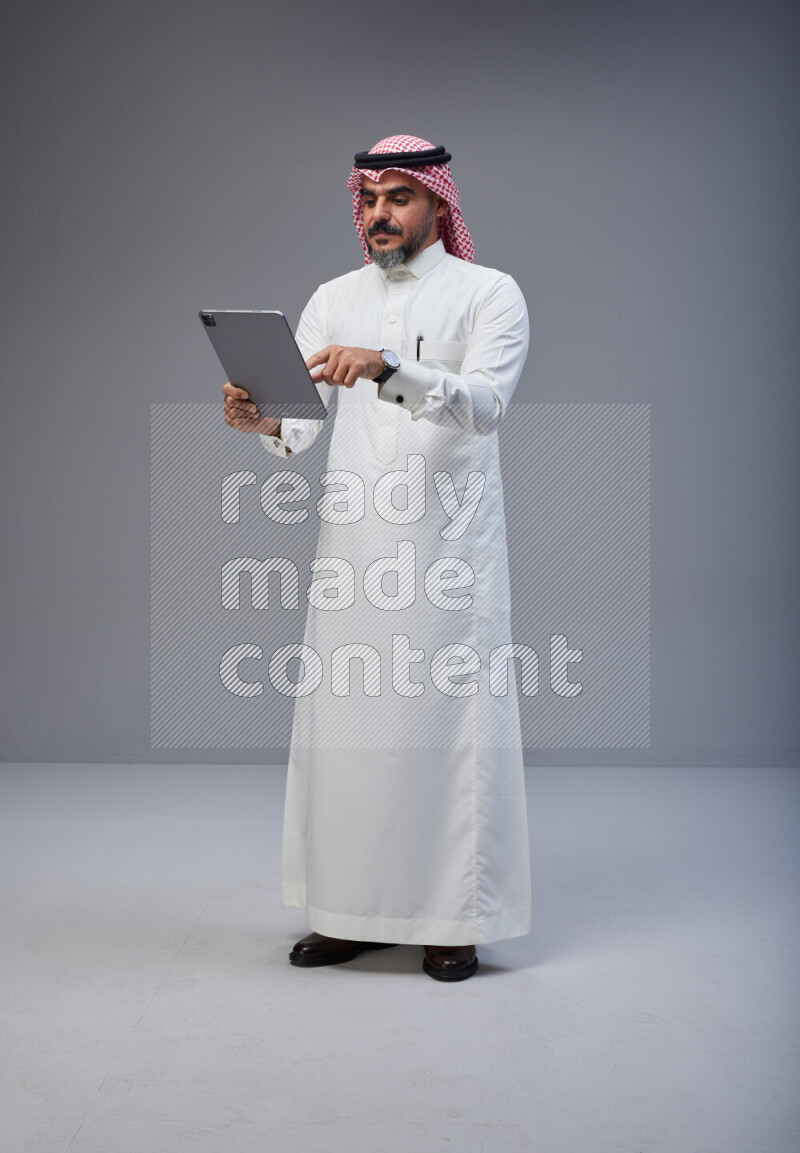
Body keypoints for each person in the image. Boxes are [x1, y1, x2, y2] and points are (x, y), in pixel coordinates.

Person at [223, 135, 531, 981]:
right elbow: (301, 424)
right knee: (350, 733)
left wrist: (392, 367)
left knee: (441, 733)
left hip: (447, 557)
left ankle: (452, 920)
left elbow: (485, 405)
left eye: (400, 197)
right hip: (354, 552)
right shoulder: (332, 298)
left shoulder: (489, 293)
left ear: (439, 204)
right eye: (369, 199)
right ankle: (346, 913)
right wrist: (263, 422)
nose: (381, 214)